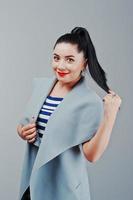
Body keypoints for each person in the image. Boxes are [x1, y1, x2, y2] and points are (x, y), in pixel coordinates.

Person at [17, 27, 122, 200]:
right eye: (56, 58)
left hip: (63, 187)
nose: (61, 66)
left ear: (84, 63)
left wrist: (110, 115)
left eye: (70, 60)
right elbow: (23, 125)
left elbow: (92, 155)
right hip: (32, 183)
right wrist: (23, 131)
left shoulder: (89, 101)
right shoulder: (41, 86)